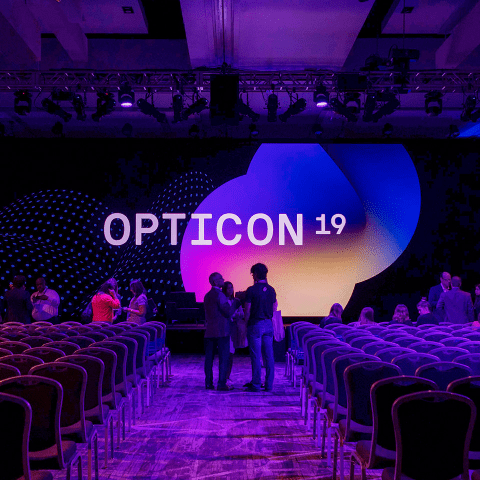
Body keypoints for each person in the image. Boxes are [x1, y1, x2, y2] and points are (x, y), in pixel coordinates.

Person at [204, 272, 241, 391]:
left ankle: (208, 383)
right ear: (215, 282)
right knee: (224, 358)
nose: (223, 280)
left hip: (209, 331)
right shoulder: (220, 295)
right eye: (221, 278)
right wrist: (235, 303)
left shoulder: (207, 295)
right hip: (222, 331)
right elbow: (228, 312)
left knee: (209, 359)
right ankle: (221, 384)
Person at [244, 263, 277, 393]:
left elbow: (247, 310)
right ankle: (269, 385)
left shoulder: (251, 290)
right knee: (269, 356)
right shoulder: (271, 290)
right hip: (268, 324)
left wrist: (245, 324)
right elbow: (274, 308)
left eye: (253, 274)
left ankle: (256, 384)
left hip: (255, 324)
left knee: (256, 356)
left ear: (256, 274)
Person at [222, 281, 245, 386]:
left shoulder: (236, 301)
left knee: (230, 355)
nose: (230, 290)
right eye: (228, 288)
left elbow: (242, 313)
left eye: (231, 288)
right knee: (224, 355)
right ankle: (223, 377)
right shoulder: (222, 301)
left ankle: (227, 377)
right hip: (223, 330)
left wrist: (236, 315)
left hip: (233, 330)